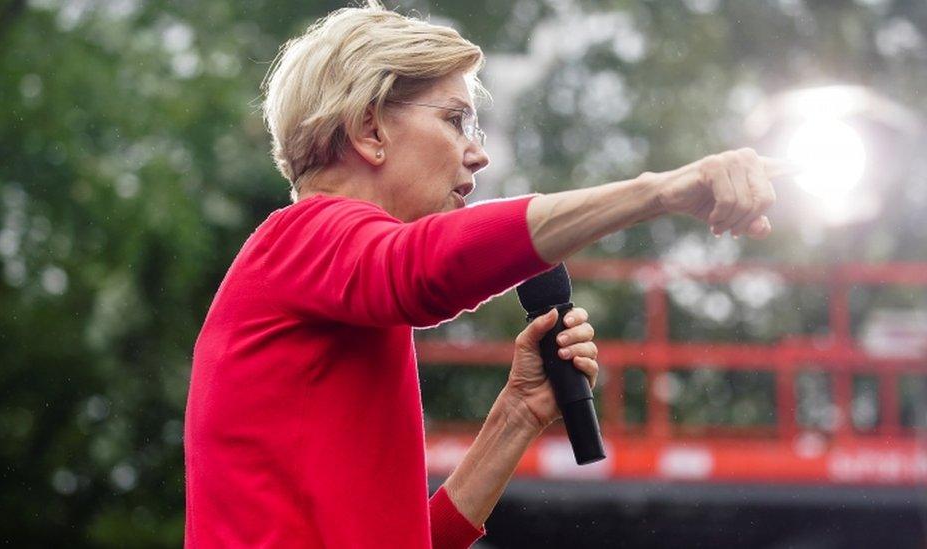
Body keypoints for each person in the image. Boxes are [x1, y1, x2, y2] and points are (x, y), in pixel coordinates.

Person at [184, 2, 786, 547]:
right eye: (455, 120)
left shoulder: (326, 278)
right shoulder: (301, 237)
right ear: (370, 130)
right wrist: (659, 191)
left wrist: (517, 414)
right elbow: (427, 268)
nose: (479, 153)